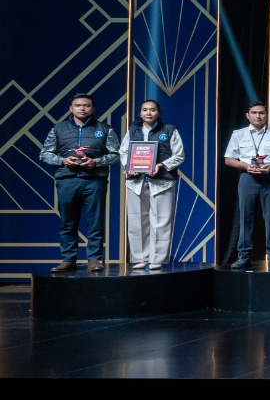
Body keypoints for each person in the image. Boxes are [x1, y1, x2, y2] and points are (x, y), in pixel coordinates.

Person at [39, 93, 119, 273]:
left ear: (93, 108)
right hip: (67, 181)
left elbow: (116, 155)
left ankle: (94, 260)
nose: (82, 108)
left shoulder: (105, 129)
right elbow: (44, 154)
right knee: (68, 223)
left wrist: (96, 162)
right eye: (78, 105)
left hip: (95, 181)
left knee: (95, 223)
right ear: (71, 108)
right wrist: (63, 161)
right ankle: (68, 259)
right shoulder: (58, 129)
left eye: (87, 105)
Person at [224, 100, 270, 269]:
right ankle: (244, 255)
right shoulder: (239, 134)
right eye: (254, 113)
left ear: (266, 115)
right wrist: (245, 166)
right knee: (245, 216)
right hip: (247, 178)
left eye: (261, 113)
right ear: (247, 116)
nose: (258, 116)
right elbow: (228, 159)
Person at [120, 99, 183, 272]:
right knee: (137, 220)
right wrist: (129, 166)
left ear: (159, 113)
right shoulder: (133, 130)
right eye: (145, 110)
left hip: (162, 182)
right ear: (140, 113)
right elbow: (123, 151)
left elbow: (179, 155)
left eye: (153, 110)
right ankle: (140, 257)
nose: (148, 113)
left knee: (161, 220)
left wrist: (161, 165)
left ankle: (157, 258)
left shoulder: (169, 130)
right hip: (136, 182)